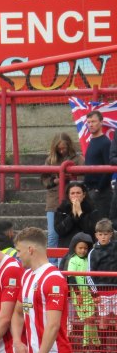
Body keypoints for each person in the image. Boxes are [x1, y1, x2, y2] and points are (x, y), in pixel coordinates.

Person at [41, 133, 85, 263]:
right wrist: (55, 181)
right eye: (59, 148)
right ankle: (52, 265)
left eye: (64, 148)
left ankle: (66, 264)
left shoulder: (77, 159)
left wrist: (72, 176)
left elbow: (84, 175)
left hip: (73, 201)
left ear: (69, 146)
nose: (61, 151)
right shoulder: (50, 160)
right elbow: (44, 179)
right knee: (53, 235)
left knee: (70, 233)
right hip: (54, 201)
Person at [59, 233, 98, 353]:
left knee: (91, 320)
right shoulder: (73, 260)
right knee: (88, 320)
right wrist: (78, 294)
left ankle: (93, 343)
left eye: (85, 248)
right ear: (75, 248)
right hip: (79, 295)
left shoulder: (88, 259)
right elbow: (71, 278)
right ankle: (90, 344)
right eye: (80, 248)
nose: (83, 250)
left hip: (89, 295)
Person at [87, 218, 117, 353]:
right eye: (100, 234)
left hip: (116, 290)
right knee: (103, 321)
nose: (103, 236)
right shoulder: (93, 252)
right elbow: (89, 275)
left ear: (111, 234)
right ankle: (103, 352)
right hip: (102, 292)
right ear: (96, 235)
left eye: (106, 234)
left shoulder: (116, 247)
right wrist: (95, 294)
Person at [83, 111, 112, 218]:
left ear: (101, 122)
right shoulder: (92, 141)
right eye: (89, 122)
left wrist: (99, 188)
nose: (90, 124)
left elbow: (109, 167)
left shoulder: (105, 142)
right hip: (90, 189)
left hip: (101, 192)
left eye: (93, 121)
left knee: (101, 226)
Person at [54, 181, 99, 249]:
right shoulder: (62, 209)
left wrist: (80, 213)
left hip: (85, 248)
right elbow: (60, 230)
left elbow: (91, 230)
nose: (75, 195)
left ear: (84, 195)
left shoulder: (92, 209)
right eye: (72, 193)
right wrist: (72, 215)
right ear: (68, 195)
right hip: (66, 247)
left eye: (78, 193)